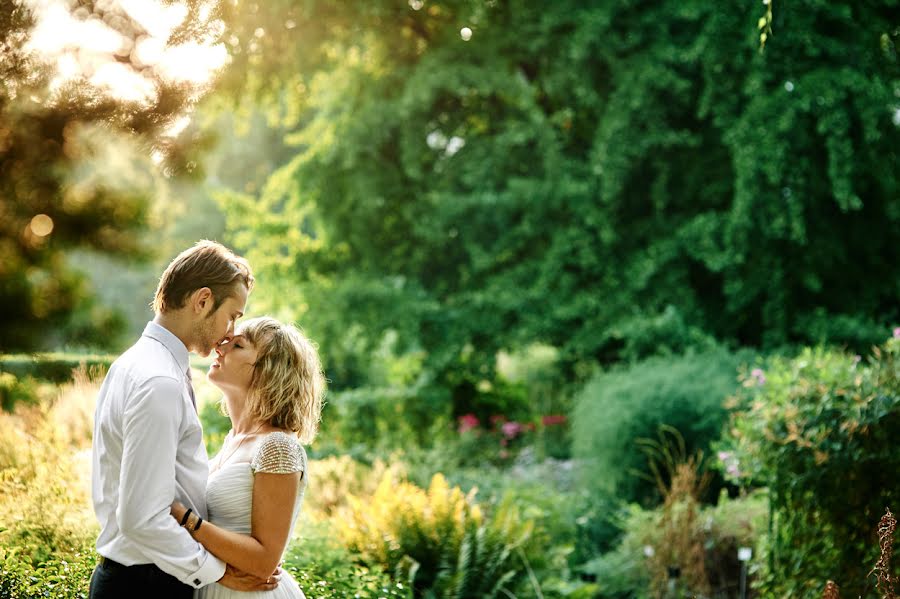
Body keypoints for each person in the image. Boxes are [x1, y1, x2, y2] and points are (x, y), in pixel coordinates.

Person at [90, 241, 277, 598]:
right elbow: (143, 517)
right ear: (203, 300)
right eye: (233, 315)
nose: (231, 331)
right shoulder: (159, 381)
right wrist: (217, 572)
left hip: (142, 579)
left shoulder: (138, 364)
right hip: (147, 587)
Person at [168, 316, 326, 599]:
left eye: (238, 345)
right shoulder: (232, 441)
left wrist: (184, 517)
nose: (220, 349)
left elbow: (265, 561)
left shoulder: (277, 446)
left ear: (268, 371)